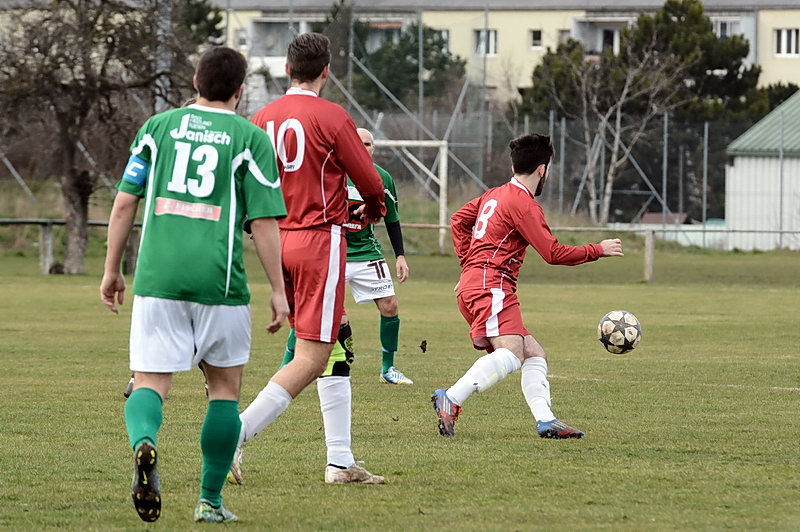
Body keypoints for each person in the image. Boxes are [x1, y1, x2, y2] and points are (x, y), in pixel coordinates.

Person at [100, 47, 289, 523]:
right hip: (219, 283)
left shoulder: (157, 129)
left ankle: (145, 442)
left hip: (157, 279)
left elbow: (123, 204)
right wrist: (278, 288)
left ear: (194, 82)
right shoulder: (250, 138)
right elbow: (264, 222)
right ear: (240, 91)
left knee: (149, 382)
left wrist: (112, 269)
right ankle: (209, 500)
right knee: (224, 389)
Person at [230, 33, 387, 486]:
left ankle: (340, 461)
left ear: (286, 68)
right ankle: (235, 435)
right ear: (326, 71)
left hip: (276, 241)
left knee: (336, 340)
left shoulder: (262, 117)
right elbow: (370, 182)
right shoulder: (332, 115)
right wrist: (374, 209)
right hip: (319, 239)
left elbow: (246, 183)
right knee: (312, 356)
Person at [431, 133, 624, 439]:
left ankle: (546, 420)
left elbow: (458, 220)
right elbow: (552, 253)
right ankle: (451, 397)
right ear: (542, 170)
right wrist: (597, 249)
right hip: (491, 286)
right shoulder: (523, 204)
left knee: (534, 354)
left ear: (514, 165)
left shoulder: (494, 194)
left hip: (482, 284)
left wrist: (468, 267)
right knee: (511, 353)